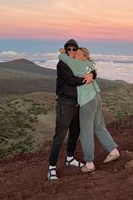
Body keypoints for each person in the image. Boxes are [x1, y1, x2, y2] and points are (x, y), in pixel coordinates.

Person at [58, 47, 120, 173]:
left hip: (87, 101)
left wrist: (64, 51)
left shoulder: (77, 64)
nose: (75, 55)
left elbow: (62, 57)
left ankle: (90, 163)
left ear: (85, 56)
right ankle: (113, 151)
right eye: (75, 53)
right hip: (96, 97)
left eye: (78, 53)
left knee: (86, 132)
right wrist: (92, 73)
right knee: (99, 126)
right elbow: (94, 67)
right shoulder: (89, 64)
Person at [47, 39, 96, 180]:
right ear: (65, 50)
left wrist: (92, 74)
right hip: (65, 103)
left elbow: (91, 68)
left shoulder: (78, 63)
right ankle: (51, 167)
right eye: (69, 49)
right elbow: (71, 80)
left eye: (75, 49)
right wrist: (88, 78)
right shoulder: (62, 64)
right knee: (60, 135)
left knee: (75, 133)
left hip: (78, 103)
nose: (72, 52)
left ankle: (69, 158)